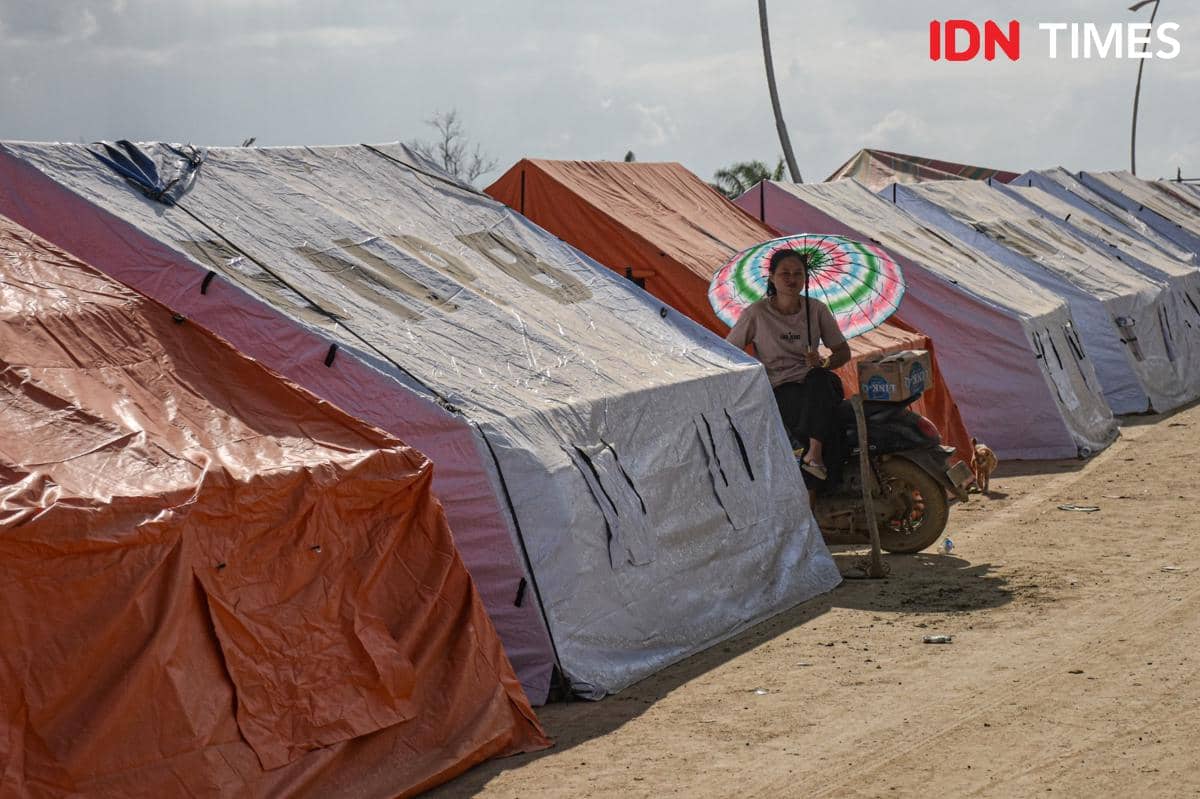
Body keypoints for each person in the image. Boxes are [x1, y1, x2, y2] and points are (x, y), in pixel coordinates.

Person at [725, 249, 852, 482]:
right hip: (781, 387)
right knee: (819, 422)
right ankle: (816, 470)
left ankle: (814, 455)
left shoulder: (816, 310)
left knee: (819, 380)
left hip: (818, 384)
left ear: (805, 278)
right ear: (771, 277)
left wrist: (823, 361)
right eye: (785, 273)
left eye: (797, 273)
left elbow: (843, 352)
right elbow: (728, 352)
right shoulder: (756, 314)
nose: (791, 279)